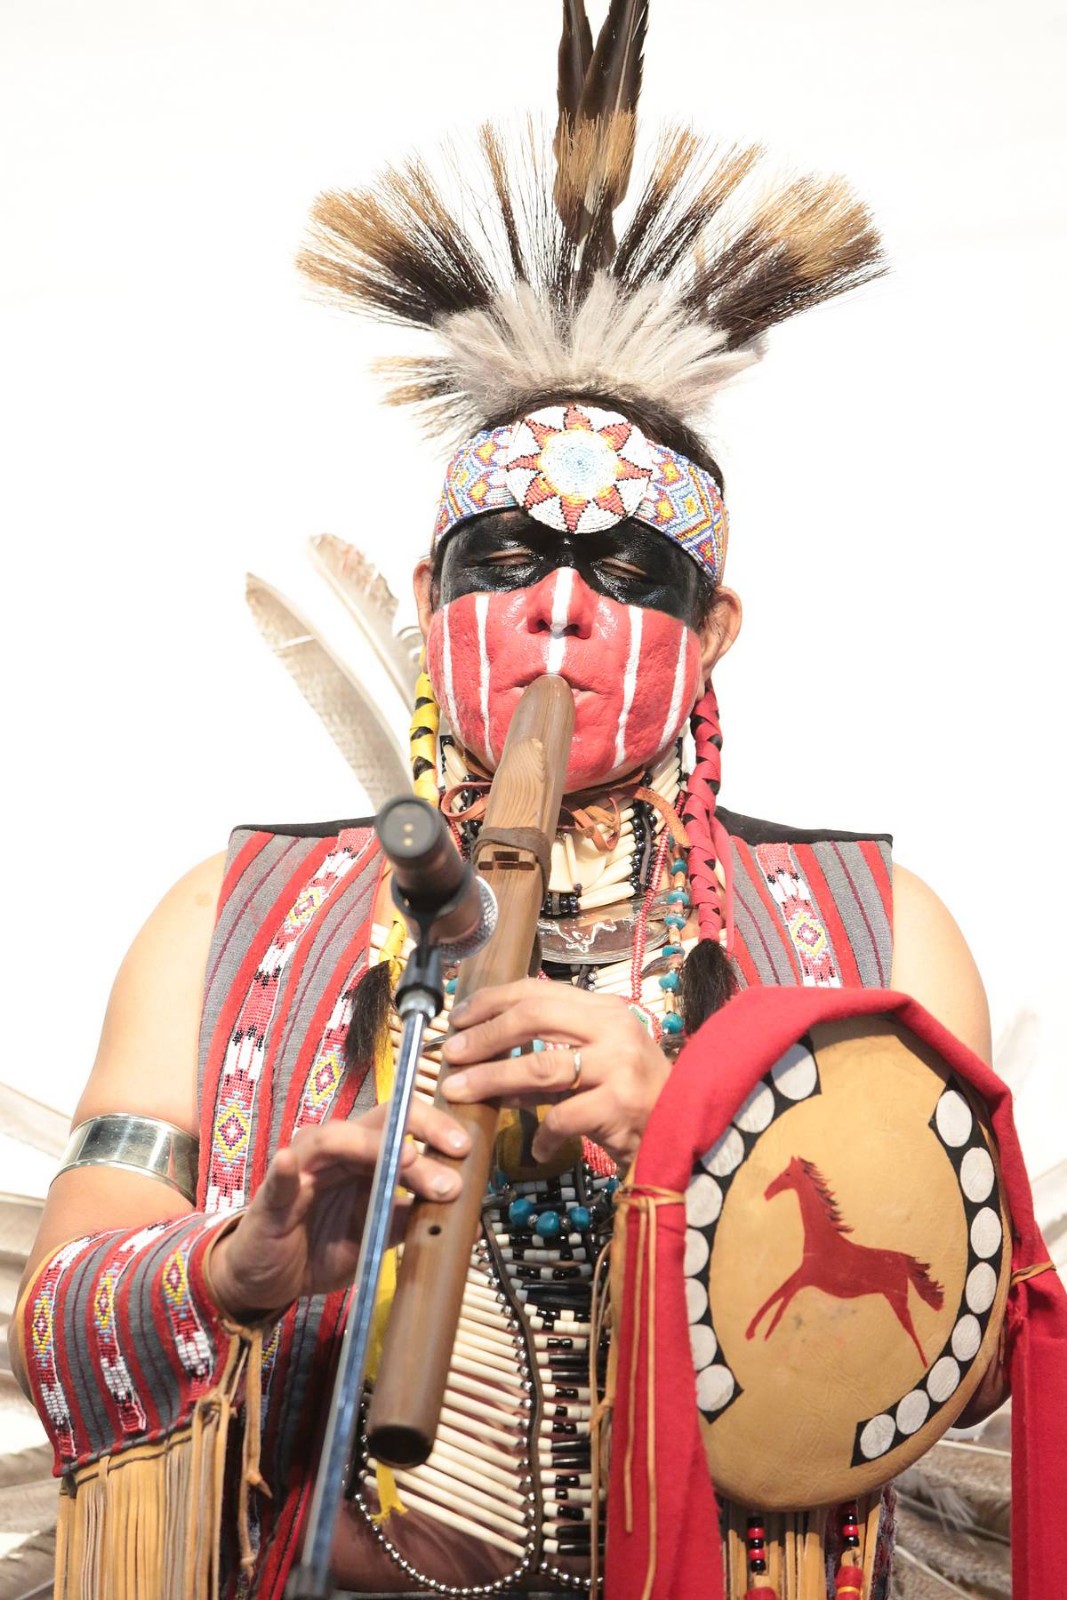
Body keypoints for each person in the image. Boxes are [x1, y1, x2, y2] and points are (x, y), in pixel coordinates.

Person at [13, 3, 1038, 1598]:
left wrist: (694, 1147)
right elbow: (57, 1309)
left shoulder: (878, 930)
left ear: (713, 633)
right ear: (431, 599)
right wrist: (238, 1261)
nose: (558, 613)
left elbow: (970, 1367)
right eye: (507, 560)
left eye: (626, 573)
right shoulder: (227, 917)